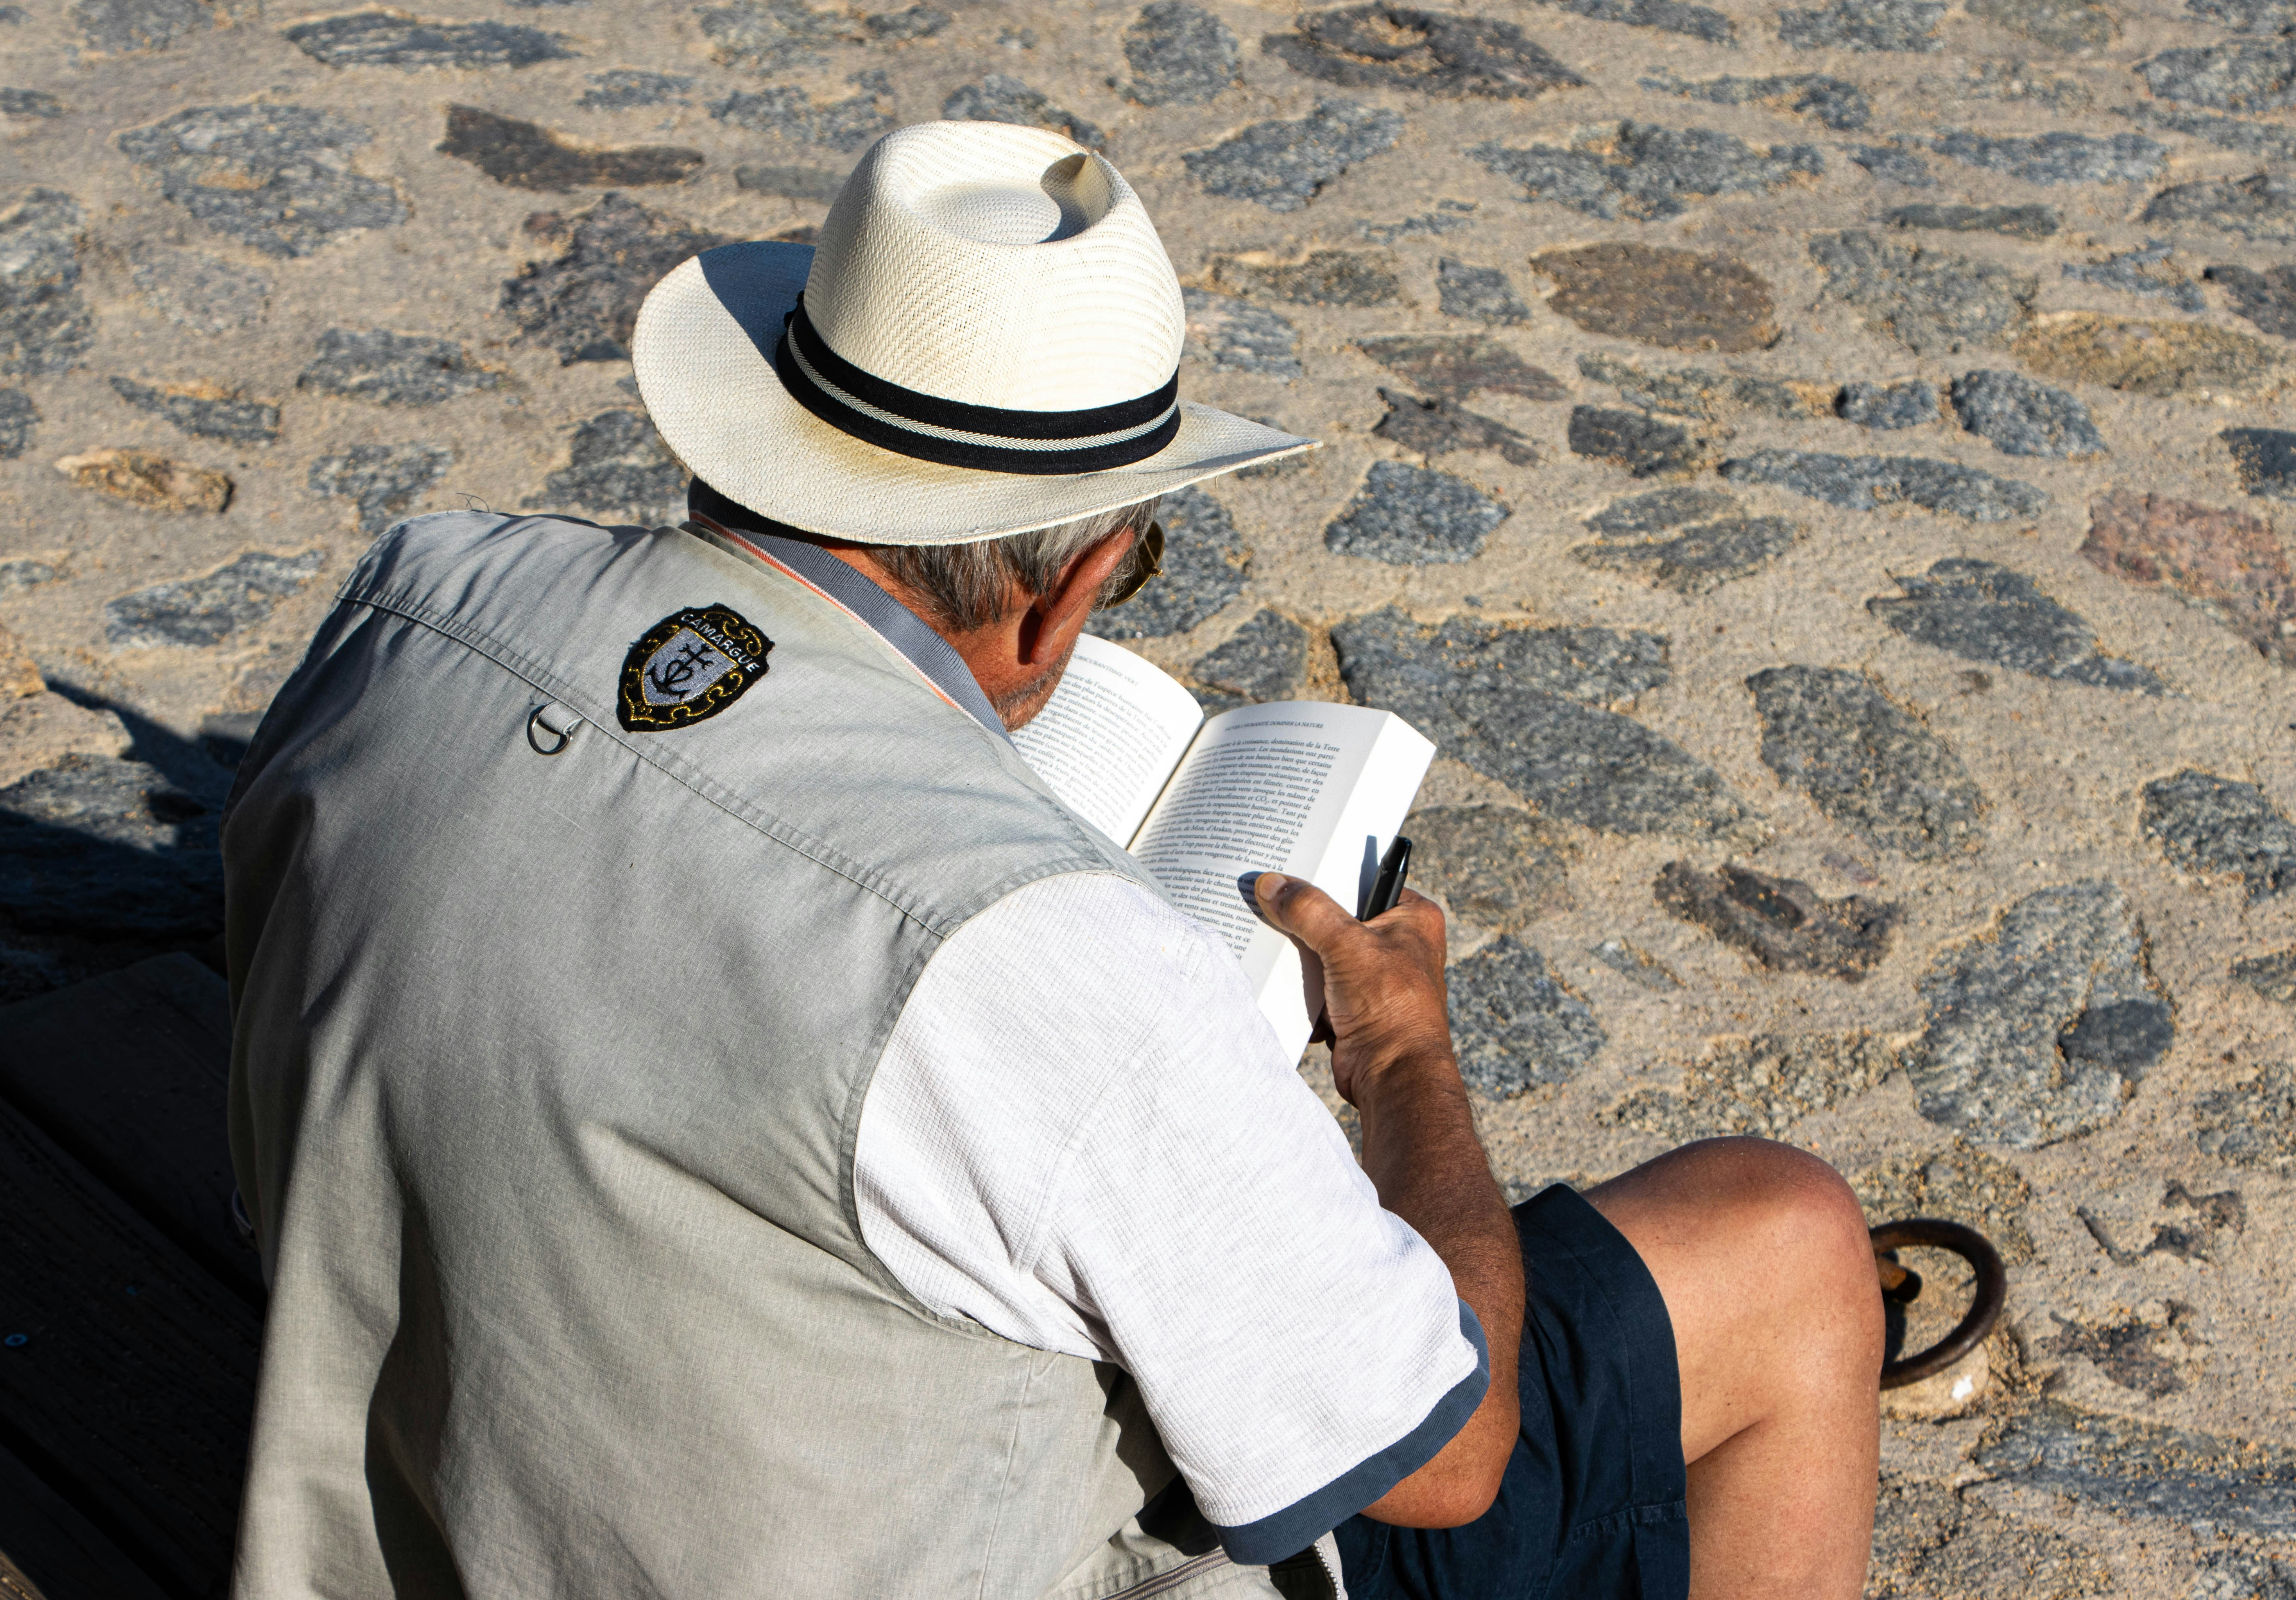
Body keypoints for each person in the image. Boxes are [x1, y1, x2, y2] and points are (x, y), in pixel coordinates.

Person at [223, 120, 1882, 1600]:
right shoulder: (1024, 955)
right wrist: (1401, 1051)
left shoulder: (413, 606)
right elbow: (1442, 1455)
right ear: (1069, 590)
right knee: (1789, 1236)